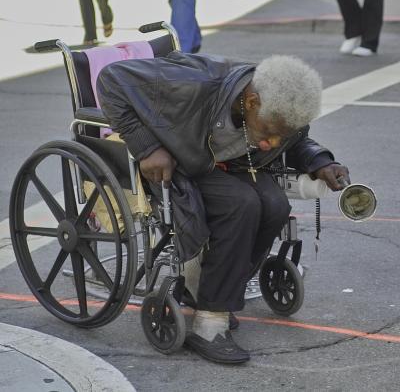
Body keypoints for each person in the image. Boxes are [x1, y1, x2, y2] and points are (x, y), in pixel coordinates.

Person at [96, 52, 350, 364]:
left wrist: (321, 160)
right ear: (252, 101)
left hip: (234, 164)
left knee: (275, 205)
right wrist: (147, 146)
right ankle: (209, 322)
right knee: (240, 205)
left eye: (280, 135)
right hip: (181, 160)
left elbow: (293, 141)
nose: (271, 143)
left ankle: (209, 288)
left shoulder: (280, 113)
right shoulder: (194, 84)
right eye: (269, 131)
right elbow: (110, 79)